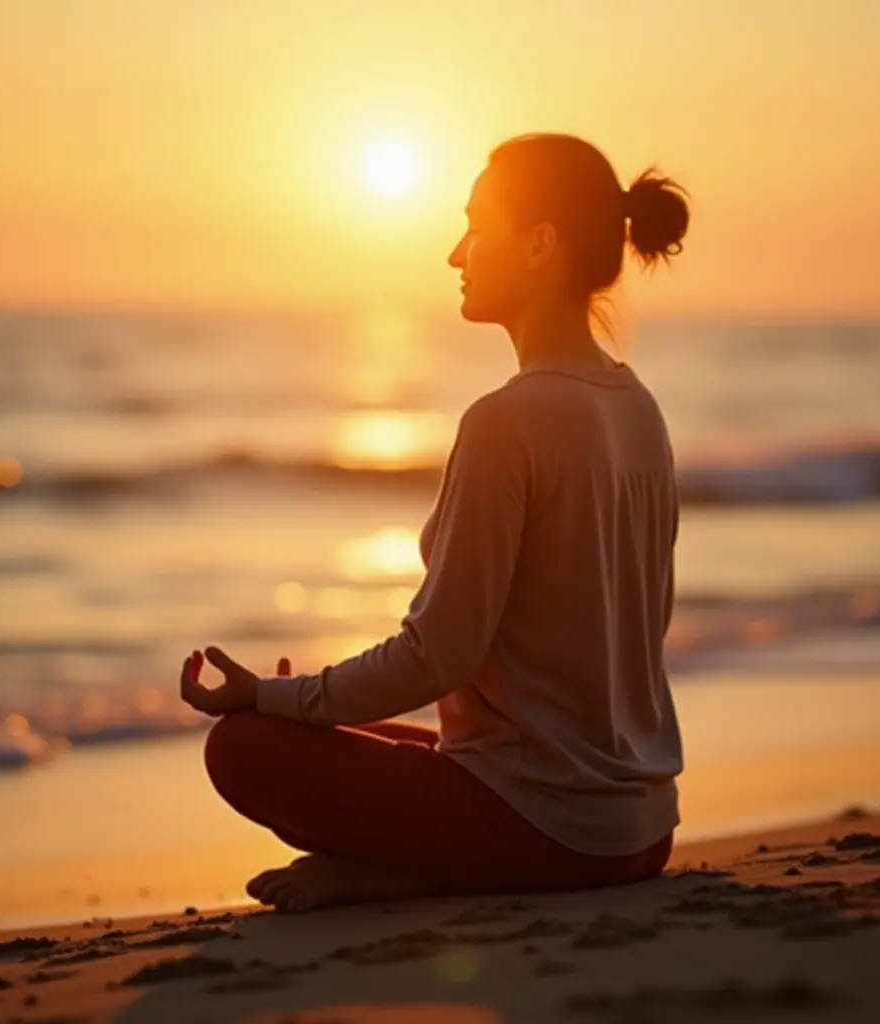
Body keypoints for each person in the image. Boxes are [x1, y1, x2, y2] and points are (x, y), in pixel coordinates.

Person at [180, 132, 690, 913]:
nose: (457, 254)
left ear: (539, 245)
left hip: (543, 831)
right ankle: (409, 866)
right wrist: (316, 705)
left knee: (243, 748)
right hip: (641, 830)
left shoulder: (506, 422)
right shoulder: (639, 408)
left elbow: (436, 657)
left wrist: (277, 702)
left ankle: (406, 874)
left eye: (478, 225)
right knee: (339, 736)